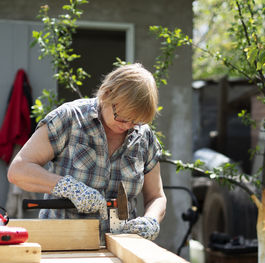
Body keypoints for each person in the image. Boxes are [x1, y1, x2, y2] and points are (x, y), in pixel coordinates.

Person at [7, 63, 167, 242]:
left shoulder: (144, 136)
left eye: (135, 121)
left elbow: (157, 196)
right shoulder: (69, 119)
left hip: (120, 249)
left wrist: (151, 220)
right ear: (106, 94)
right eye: (122, 117)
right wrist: (69, 188)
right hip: (63, 246)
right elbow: (18, 170)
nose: (127, 126)